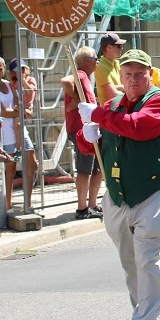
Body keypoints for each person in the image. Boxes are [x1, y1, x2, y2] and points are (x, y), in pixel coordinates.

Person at [78, 48, 160, 320]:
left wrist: (98, 116)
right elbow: (89, 149)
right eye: (128, 74)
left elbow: (137, 126)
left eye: (139, 73)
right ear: (120, 76)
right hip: (118, 194)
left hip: (154, 190)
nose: (134, 79)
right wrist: (88, 134)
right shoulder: (112, 105)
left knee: (148, 255)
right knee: (129, 261)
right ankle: (145, 314)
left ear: (151, 75)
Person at [62, 46, 103, 219]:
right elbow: (65, 81)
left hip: (89, 129)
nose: (97, 62)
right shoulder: (81, 74)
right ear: (87, 61)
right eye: (95, 59)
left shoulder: (86, 77)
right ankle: (82, 208)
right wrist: (78, 99)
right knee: (85, 168)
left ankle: (92, 204)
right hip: (82, 130)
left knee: (97, 168)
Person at [3, 59, 39, 213]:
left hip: (21, 121)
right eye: (18, 70)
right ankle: (7, 204)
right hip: (13, 123)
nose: (21, 71)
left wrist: (23, 80)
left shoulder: (30, 80)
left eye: (23, 68)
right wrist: (22, 111)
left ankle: (28, 202)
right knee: (10, 168)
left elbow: (30, 93)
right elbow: (11, 108)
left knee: (33, 165)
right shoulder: (9, 84)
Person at [95, 32, 128, 104]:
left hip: (120, 109)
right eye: (118, 46)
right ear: (109, 47)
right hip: (110, 112)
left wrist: (122, 87)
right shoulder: (101, 68)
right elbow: (112, 95)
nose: (121, 48)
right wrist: (133, 95)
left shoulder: (117, 63)